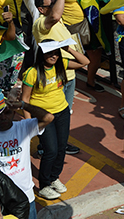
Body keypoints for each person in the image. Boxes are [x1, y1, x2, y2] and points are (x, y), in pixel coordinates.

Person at [21, 40, 89, 200]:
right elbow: (25, 100)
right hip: (44, 117)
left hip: (62, 112)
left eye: (56, 52)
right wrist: (28, 125)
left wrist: (68, 49)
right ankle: (44, 185)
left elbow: (85, 62)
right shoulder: (32, 72)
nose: (53, 56)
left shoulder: (61, 64)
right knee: (50, 151)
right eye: (50, 53)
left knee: (61, 148)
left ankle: (54, 177)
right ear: (41, 53)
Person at [0, 92, 54, 218]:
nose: (3, 118)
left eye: (7, 113)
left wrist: (23, 105)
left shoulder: (23, 127)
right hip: (3, 200)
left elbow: (48, 118)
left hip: (26, 197)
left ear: (14, 112)